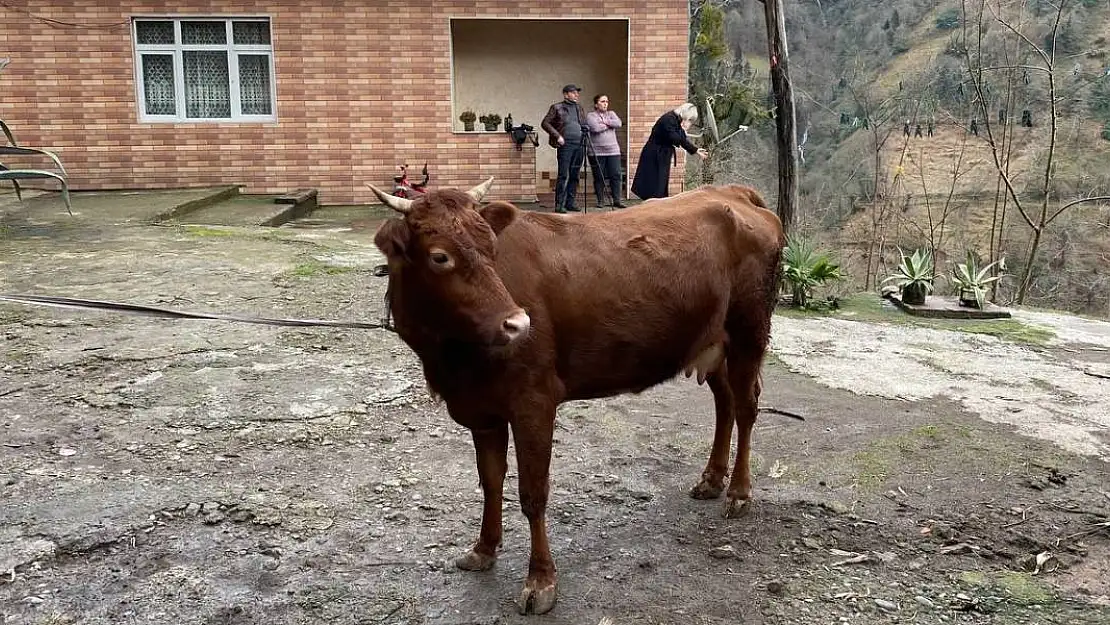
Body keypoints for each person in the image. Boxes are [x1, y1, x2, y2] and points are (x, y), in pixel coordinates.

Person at [630, 103, 708, 201]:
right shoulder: (668, 120)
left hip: (662, 155)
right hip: (654, 155)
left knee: (661, 187)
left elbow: (681, 140)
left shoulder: (676, 120)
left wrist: (695, 150)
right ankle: (652, 210)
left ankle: (656, 209)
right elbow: (676, 138)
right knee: (654, 188)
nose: (690, 123)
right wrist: (683, 130)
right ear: (686, 115)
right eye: (690, 120)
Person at [541, 84, 589, 213]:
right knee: (563, 174)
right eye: (573, 92)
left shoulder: (579, 108)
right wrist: (557, 136)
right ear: (565, 94)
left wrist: (586, 132)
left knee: (575, 174)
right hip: (565, 145)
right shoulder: (557, 107)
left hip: (579, 144)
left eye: (577, 93)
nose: (576, 95)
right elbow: (545, 123)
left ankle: (570, 202)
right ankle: (559, 204)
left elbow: (584, 123)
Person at [585, 93, 625, 208]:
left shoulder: (611, 113)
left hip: (613, 151)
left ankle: (617, 200)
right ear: (596, 104)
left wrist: (605, 123)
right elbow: (595, 128)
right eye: (602, 101)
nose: (605, 104)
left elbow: (618, 123)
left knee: (616, 175)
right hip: (596, 152)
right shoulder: (591, 116)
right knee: (599, 176)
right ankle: (600, 201)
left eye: (607, 101)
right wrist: (609, 124)